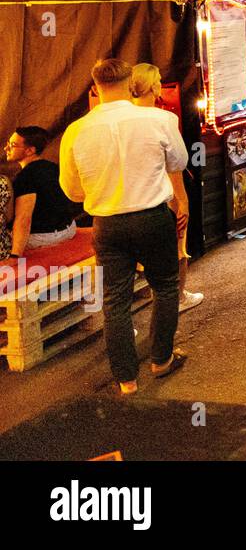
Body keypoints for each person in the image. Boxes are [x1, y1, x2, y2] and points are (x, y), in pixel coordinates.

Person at [60, 58, 189, 395]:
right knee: (165, 286)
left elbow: (71, 190)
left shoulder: (75, 131)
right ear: (129, 81)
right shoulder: (159, 119)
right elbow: (180, 161)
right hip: (152, 217)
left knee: (115, 301)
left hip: (106, 223)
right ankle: (161, 359)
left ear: (95, 87)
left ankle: (126, 380)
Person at [128, 65, 204, 314]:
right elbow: (177, 165)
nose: (161, 83)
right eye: (159, 80)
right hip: (162, 195)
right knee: (177, 248)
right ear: (153, 86)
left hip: (130, 200)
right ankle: (179, 298)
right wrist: (182, 201)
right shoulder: (163, 119)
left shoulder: (120, 122)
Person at [5, 126, 77, 259]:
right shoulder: (52, 166)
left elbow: (23, 219)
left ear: (30, 150)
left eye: (13, 145)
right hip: (69, 229)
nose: (6, 148)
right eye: (8, 144)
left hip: (45, 237)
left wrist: (15, 256)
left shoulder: (25, 177)